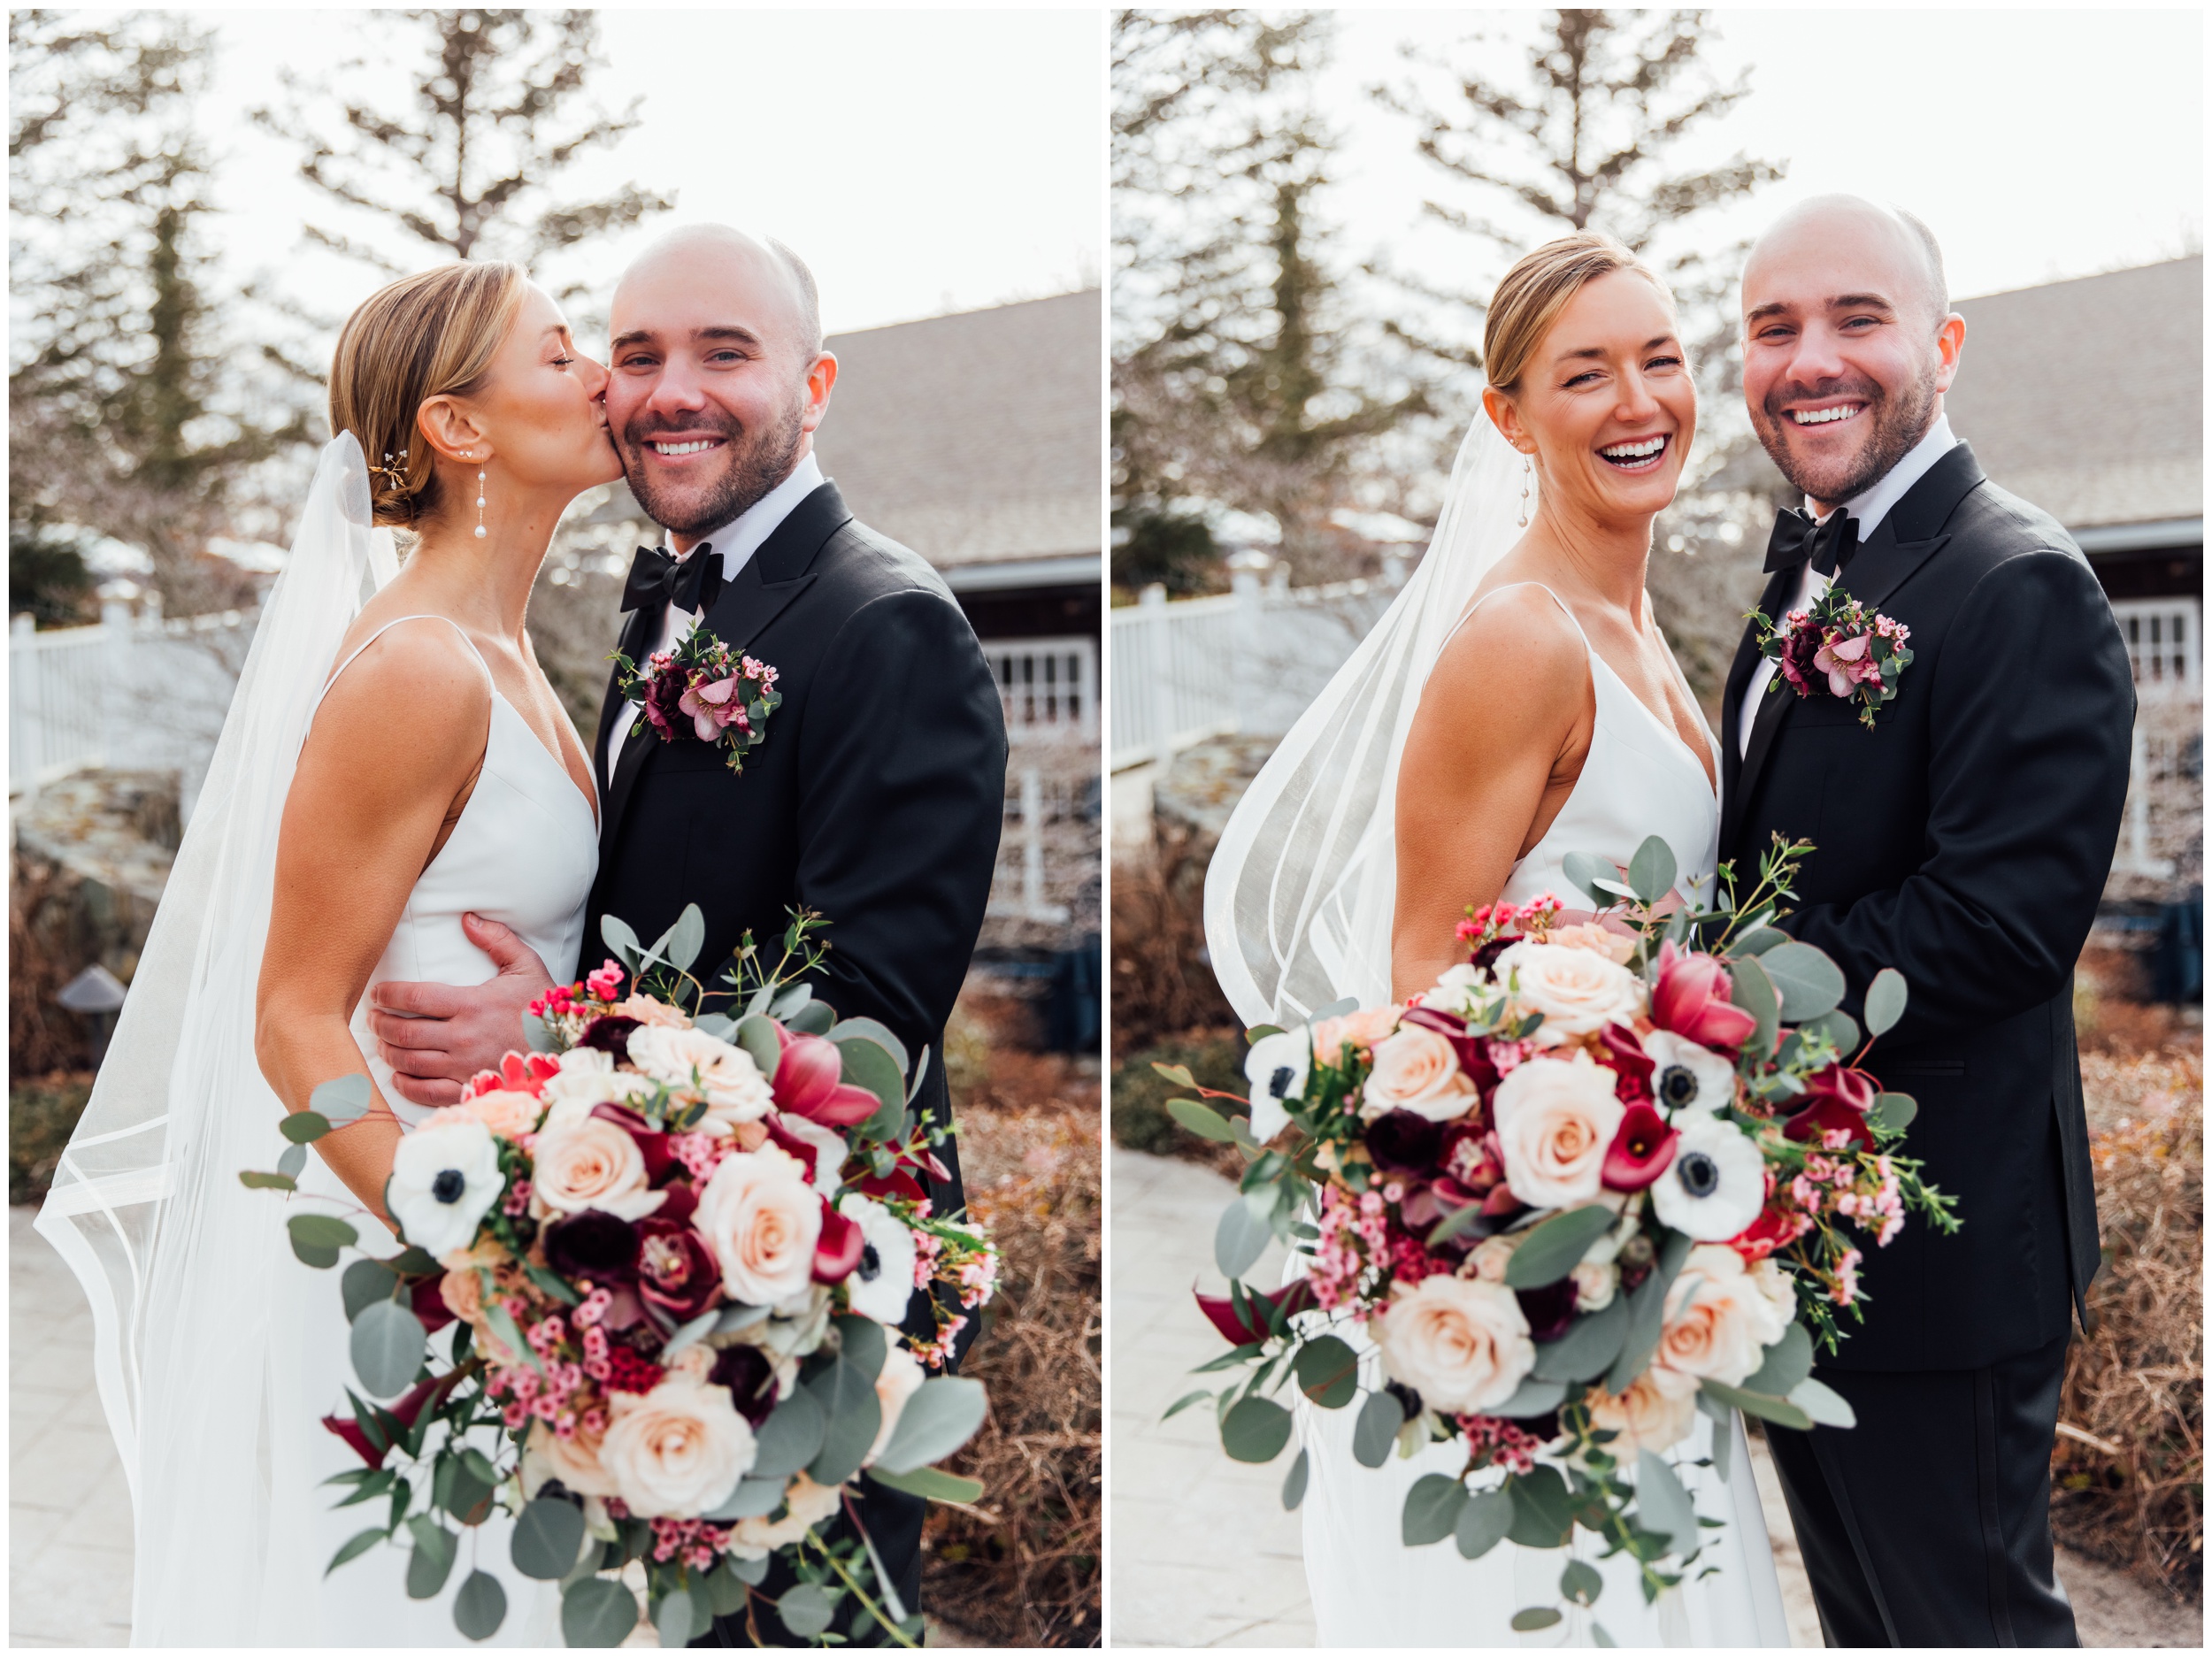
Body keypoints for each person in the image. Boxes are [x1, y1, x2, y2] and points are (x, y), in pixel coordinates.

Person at [362, 224, 1010, 1645]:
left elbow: (863, 1026)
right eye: (637, 353)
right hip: (639, 1270)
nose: (671, 392)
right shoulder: (661, 601)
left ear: (815, 385)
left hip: (801, 1303)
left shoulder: (888, 625)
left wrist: (564, 1037)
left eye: (726, 352)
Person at [1206, 233, 1790, 1647]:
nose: (1637, 401)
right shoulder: (1522, 637)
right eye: (1584, 374)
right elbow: (1424, 970)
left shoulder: (1632, 625)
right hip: (1544, 1234)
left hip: (1636, 1222)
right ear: (1509, 417)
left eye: (1660, 360)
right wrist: (1576, 1149)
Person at [36, 259, 617, 1643]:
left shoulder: (506, 655)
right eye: (559, 354)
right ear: (457, 427)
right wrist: (455, 1244)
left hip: (509, 1229)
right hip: (406, 1255)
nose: (605, 374)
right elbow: (291, 1017)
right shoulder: (419, 668)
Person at [1723, 195, 2133, 1647]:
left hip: (1940, 1242)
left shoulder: (2018, 580)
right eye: (1773, 328)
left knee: (1969, 1626)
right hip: (1809, 1231)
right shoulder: (1814, 564)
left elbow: (2000, 923)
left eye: (1858, 319)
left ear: (1944, 347)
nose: (1810, 360)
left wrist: (1711, 999)